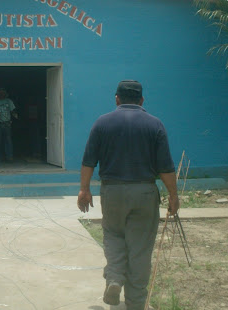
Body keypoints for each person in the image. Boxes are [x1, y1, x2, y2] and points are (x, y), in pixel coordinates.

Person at [77, 80, 180, 310]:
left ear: (117, 99)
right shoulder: (155, 125)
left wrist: (84, 189)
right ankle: (135, 303)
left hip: (112, 191)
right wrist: (173, 195)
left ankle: (114, 278)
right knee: (140, 248)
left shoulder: (102, 123)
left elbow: (88, 161)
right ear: (142, 101)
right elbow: (166, 167)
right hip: (144, 192)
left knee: (113, 235)